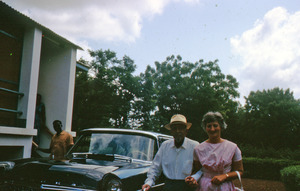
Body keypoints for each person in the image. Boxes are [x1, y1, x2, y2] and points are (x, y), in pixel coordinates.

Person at [185, 111, 244, 190]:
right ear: (205, 128)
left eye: (215, 125)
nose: (212, 129)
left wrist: (225, 176)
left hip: (224, 186)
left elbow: (240, 171)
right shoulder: (198, 149)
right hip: (204, 187)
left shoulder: (233, 147)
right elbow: (198, 170)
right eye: (209, 126)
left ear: (221, 126)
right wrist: (193, 179)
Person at [142, 114, 199, 191]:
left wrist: (195, 178)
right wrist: (149, 182)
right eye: (174, 128)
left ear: (186, 131)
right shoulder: (165, 146)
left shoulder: (194, 146)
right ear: (171, 131)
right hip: (169, 186)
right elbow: (155, 167)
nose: (177, 131)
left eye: (180, 128)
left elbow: (202, 169)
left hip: (187, 186)